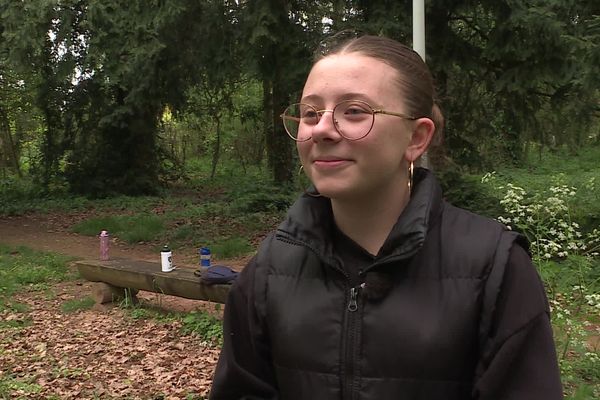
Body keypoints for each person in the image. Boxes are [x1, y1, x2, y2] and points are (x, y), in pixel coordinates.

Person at [209, 33, 563, 400]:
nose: (322, 129)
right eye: (311, 113)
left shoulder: (494, 269)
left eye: (355, 111)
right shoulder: (270, 269)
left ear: (416, 138)